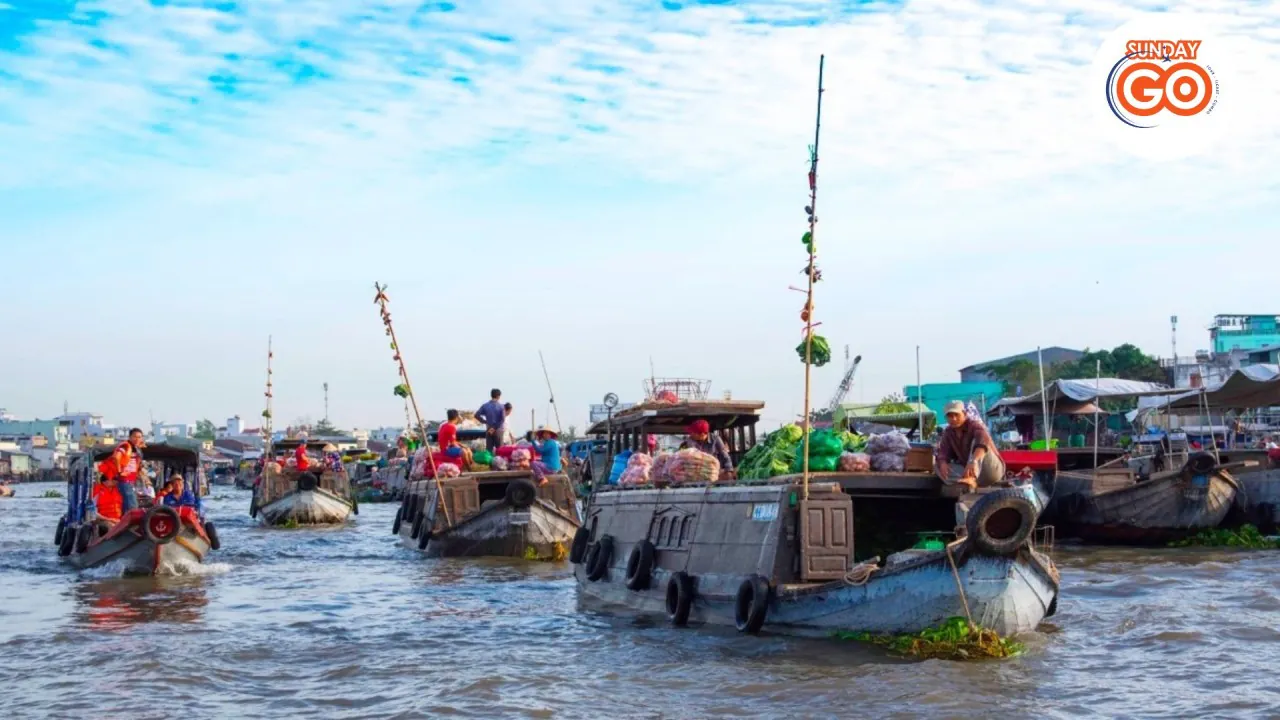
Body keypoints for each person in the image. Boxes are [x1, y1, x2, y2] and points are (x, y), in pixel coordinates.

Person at [935, 400, 1005, 491]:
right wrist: (942, 462)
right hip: (969, 473)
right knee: (937, 465)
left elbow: (983, 442)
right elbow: (943, 452)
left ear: (964, 414)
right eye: (950, 416)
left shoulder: (975, 425)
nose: (954, 419)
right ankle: (969, 480)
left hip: (991, 470)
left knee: (977, 442)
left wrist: (973, 461)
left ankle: (971, 477)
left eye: (957, 415)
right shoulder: (948, 432)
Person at [98, 428, 145, 512]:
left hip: (131, 481)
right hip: (125, 480)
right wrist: (120, 471)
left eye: (139, 437)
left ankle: (125, 522)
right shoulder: (125, 446)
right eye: (135, 436)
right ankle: (131, 524)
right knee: (132, 506)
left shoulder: (136, 449)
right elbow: (116, 457)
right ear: (130, 437)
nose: (137, 439)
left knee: (127, 505)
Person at [475, 388, 506, 453]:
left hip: (489, 429)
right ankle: (499, 462)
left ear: (491, 395)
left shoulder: (485, 405)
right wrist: (494, 428)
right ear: (498, 396)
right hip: (498, 430)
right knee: (500, 450)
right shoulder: (501, 406)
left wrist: (484, 421)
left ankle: (489, 463)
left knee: (489, 451)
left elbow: (476, 415)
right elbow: (502, 419)